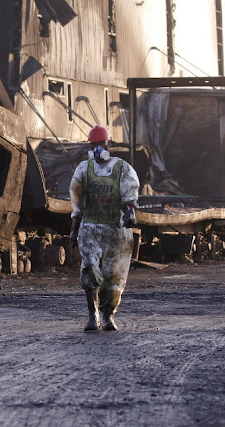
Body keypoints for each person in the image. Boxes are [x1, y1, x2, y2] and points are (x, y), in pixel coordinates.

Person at [69, 125, 139, 332]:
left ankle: (108, 316)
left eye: (102, 143)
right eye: (95, 144)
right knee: (90, 268)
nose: (99, 148)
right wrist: (74, 227)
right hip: (90, 227)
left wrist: (130, 211)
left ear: (109, 144)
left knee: (114, 276)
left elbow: (130, 191)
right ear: (90, 146)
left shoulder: (122, 168)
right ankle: (93, 317)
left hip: (116, 230)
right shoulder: (84, 168)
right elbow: (77, 199)